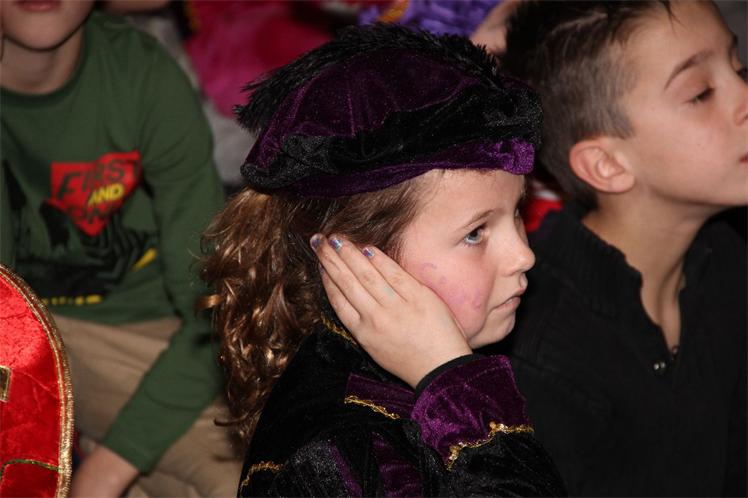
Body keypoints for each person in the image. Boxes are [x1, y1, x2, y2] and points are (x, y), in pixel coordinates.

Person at [201, 23, 566, 497]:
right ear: (355, 259)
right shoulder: (345, 455)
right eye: (475, 233)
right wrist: (454, 381)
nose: (524, 255)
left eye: (517, 212)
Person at [487, 1, 746, 495]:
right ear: (606, 165)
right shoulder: (542, 360)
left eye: (738, 68)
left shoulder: (723, 255)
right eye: (701, 93)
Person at [0, 1, 240, 496]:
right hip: (34, 341)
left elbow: (210, 312)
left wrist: (105, 473)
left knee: (250, 476)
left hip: (161, 335)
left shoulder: (142, 77)